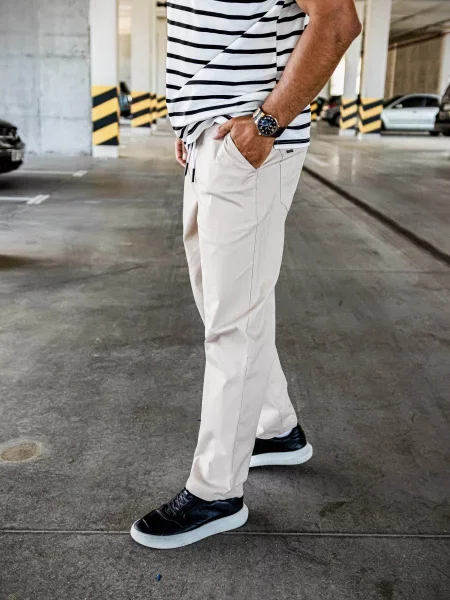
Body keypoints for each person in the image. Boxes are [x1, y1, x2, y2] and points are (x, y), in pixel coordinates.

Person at [131, 0, 361, 549]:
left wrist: (264, 126)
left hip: (248, 148)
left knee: (231, 324)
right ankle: (276, 427)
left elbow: (337, 21)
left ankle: (216, 492)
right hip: (211, 145)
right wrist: (190, 121)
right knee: (229, 307)